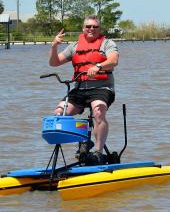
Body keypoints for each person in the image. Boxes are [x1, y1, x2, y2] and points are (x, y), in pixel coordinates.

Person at [48, 15, 119, 165]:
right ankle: (83, 140)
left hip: (101, 88)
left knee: (98, 111)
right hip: (79, 89)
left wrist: (98, 66)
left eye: (95, 27)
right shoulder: (74, 47)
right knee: (58, 113)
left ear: (100, 29)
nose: (91, 29)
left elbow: (113, 60)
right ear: (83, 28)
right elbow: (54, 62)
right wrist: (54, 46)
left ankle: (98, 152)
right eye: (88, 26)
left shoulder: (107, 44)